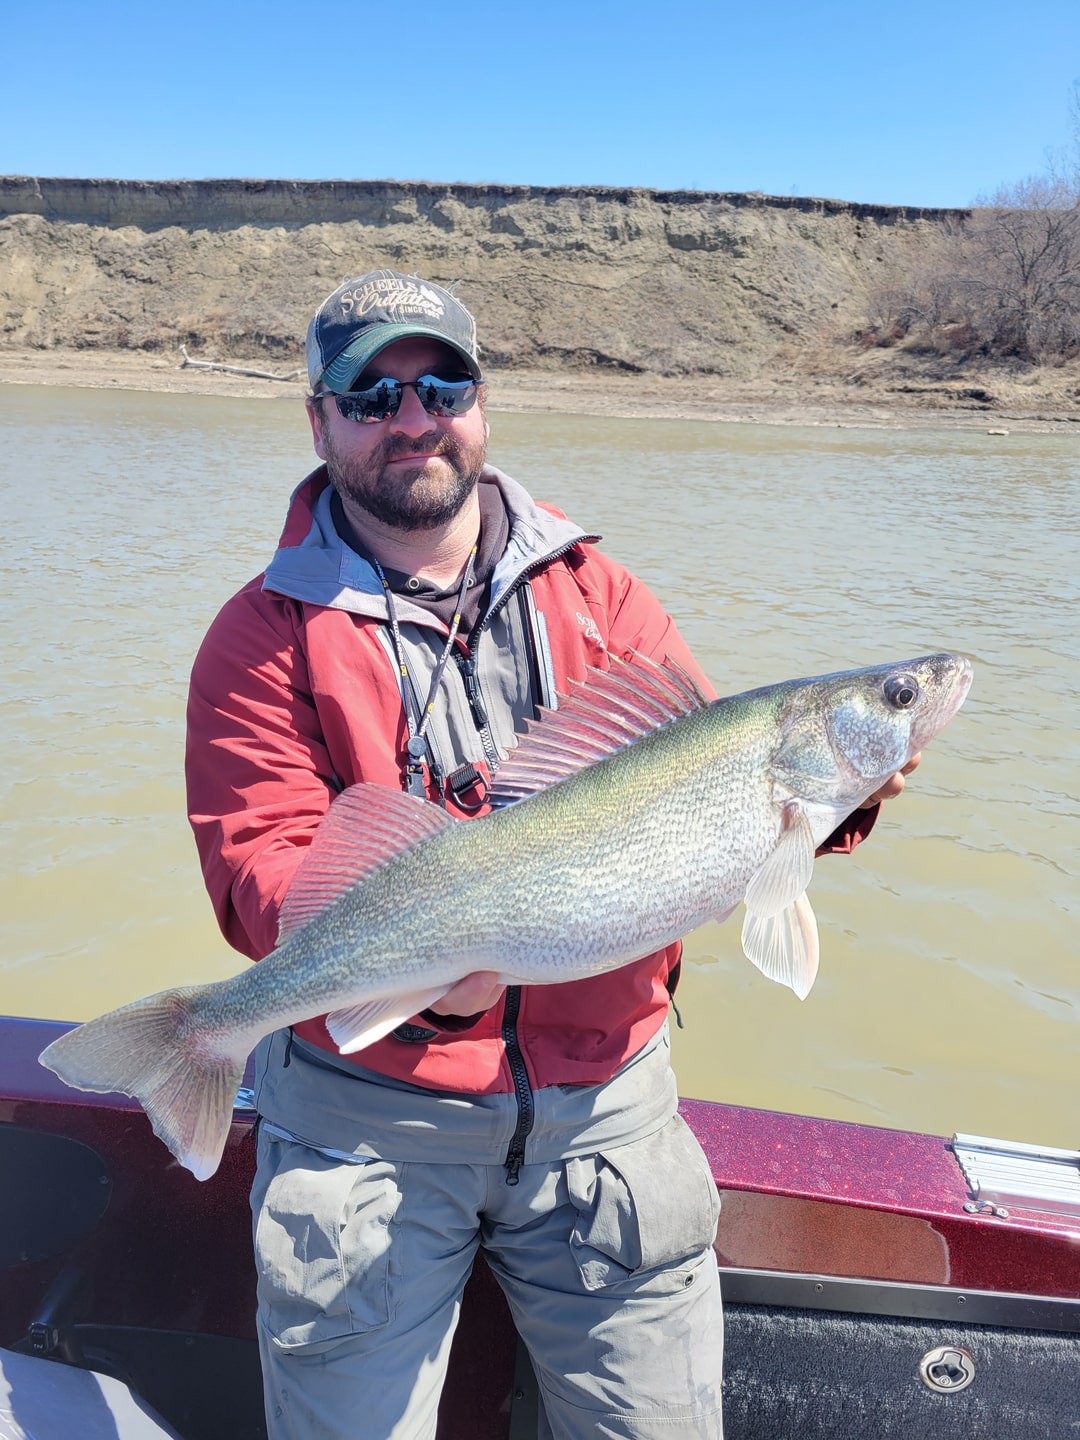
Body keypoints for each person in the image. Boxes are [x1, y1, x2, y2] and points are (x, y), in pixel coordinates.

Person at [185, 270, 914, 1440]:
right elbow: (261, 868)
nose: (412, 418)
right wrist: (424, 976)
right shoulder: (258, 638)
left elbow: (724, 798)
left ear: (483, 402)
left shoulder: (604, 595)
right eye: (370, 395)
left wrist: (850, 792)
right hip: (369, 1125)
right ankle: (195, 1037)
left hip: (604, 1119)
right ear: (316, 420)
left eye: (442, 385)